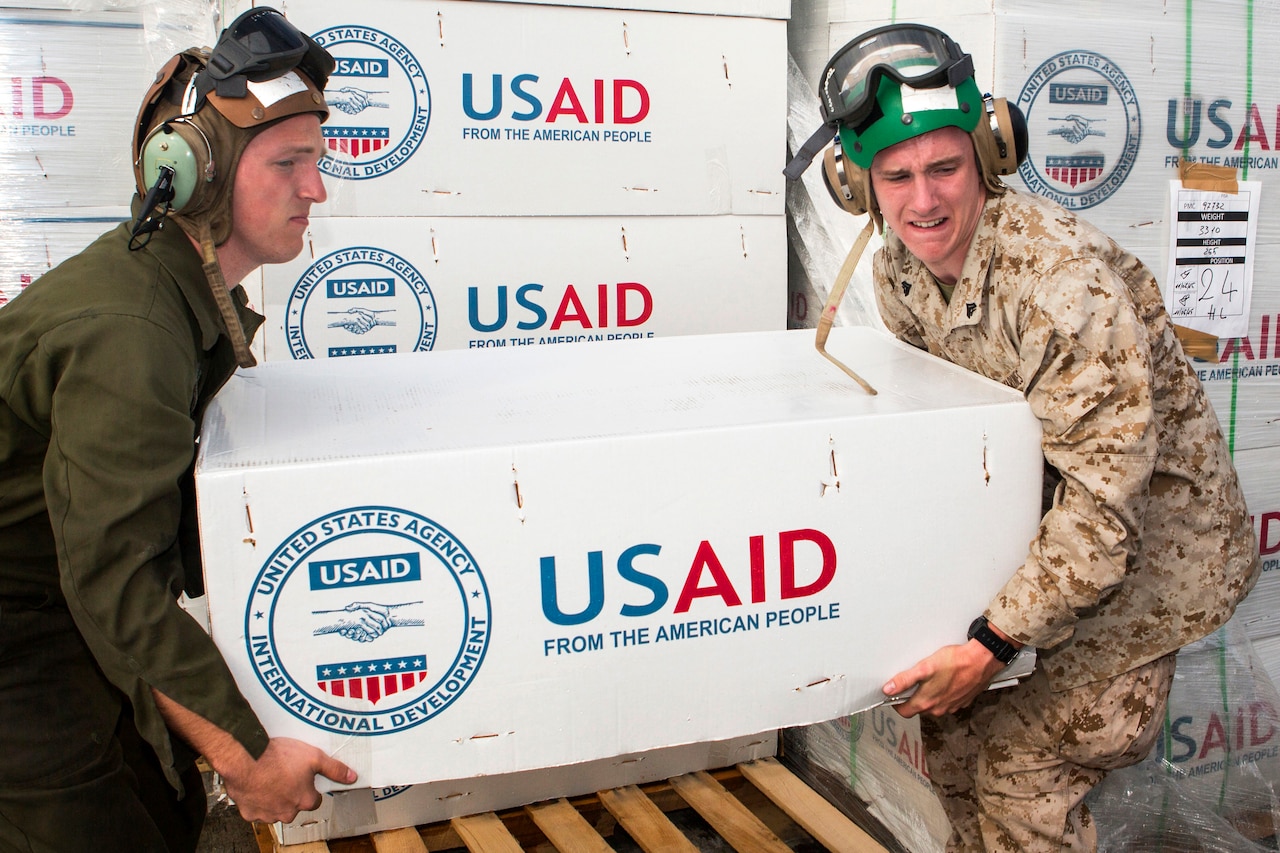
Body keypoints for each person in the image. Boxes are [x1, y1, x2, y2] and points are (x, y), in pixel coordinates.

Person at [786, 24, 1260, 852]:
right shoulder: (898, 271)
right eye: (896, 177)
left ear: (987, 160)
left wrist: (992, 641)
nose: (924, 201)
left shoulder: (1058, 288)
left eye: (944, 168)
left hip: (1139, 572)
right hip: (1028, 548)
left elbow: (1106, 513)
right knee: (954, 747)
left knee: (1018, 778)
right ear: (859, 187)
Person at [0, 8, 357, 851]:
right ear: (193, 174)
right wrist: (249, 755)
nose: (317, 189)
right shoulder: (136, 330)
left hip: (54, 586)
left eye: (318, 161)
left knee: (165, 805)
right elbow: (114, 578)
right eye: (288, 164)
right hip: (22, 617)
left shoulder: (185, 295)